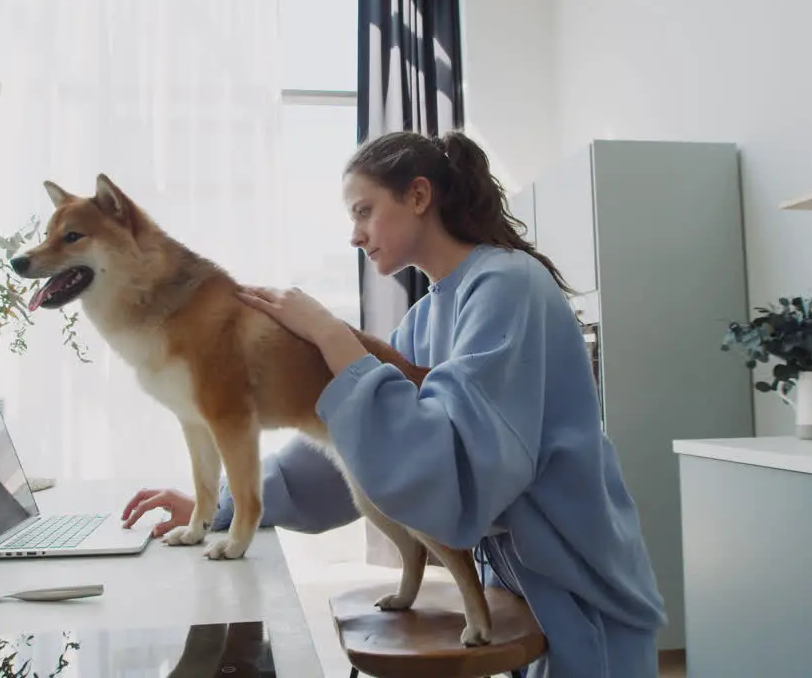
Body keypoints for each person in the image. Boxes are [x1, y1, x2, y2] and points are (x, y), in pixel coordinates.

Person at [121, 129, 667, 678]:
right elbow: (358, 448)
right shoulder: (423, 320)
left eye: (365, 211)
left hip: (575, 584)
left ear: (419, 197)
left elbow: (452, 465)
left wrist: (332, 337)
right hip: (520, 581)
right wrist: (218, 506)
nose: (356, 236)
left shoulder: (508, 287)